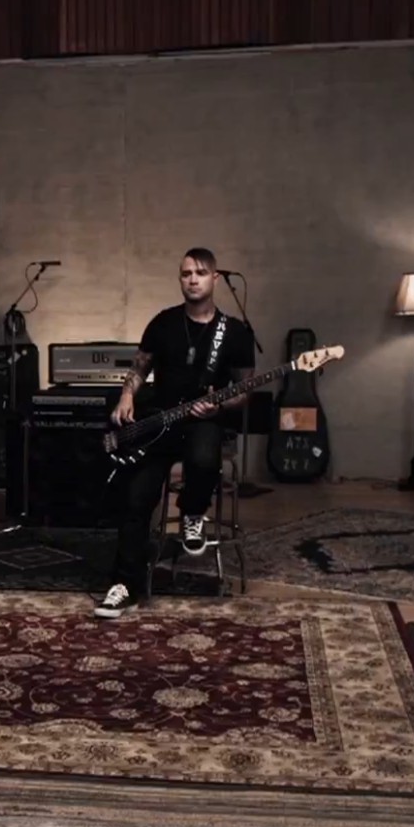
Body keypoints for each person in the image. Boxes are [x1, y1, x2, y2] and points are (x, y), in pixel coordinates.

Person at [95, 248, 258, 618]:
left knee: (204, 459)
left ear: (215, 278)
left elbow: (244, 391)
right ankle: (124, 585)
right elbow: (140, 367)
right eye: (186, 274)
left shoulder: (234, 333)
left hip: (205, 420)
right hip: (161, 423)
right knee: (136, 497)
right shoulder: (163, 322)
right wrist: (126, 395)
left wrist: (219, 406)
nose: (193, 279)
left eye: (200, 273)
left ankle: (192, 513)